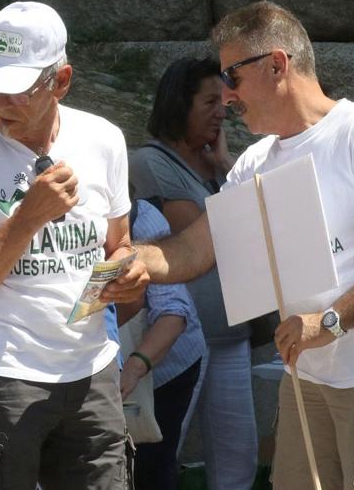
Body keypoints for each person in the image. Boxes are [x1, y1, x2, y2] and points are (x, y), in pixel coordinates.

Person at [123, 0, 354, 490]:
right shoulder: (255, 162)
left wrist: (332, 321)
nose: (225, 97)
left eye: (232, 77)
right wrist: (127, 261)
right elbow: (195, 250)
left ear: (277, 64)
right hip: (306, 384)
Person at [0, 1, 148, 489]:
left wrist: (126, 273)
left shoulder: (104, 140)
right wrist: (26, 219)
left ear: (62, 81)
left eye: (17, 89)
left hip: (91, 374)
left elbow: (119, 245)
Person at [129, 57, 256, 490]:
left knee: (239, 455)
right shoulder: (150, 163)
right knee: (167, 451)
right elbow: (199, 237)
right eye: (209, 102)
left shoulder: (217, 168)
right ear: (178, 105)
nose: (222, 111)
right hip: (182, 343)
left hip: (231, 333)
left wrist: (224, 166)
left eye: (223, 101)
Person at [120, 198, 205, 490]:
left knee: (150, 466)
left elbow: (174, 312)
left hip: (167, 368)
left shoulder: (140, 217)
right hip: (100, 371)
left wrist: (134, 367)